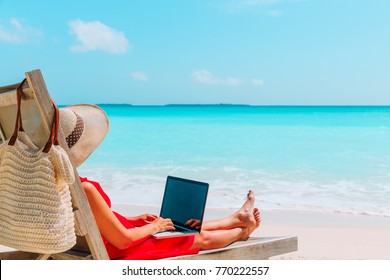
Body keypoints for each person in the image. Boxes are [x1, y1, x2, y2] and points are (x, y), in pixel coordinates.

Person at [60, 104, 261, 260]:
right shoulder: (85, 188)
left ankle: (237, 218)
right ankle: (241, 232)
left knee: (174, 227)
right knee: (195, 238)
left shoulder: (59, 182)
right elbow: (123, 241)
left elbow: (94, 217)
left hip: (105, 237)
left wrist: (132, 220)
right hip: (116, 246)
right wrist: (155, 227)